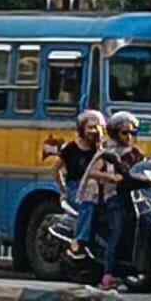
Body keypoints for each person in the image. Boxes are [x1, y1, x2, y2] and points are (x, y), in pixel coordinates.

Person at [81, 111, 143, 291]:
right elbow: (92, 172)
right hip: (114, 198)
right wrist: (111, 177)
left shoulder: (136, 153)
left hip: (135, 198)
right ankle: (108, 275)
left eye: (132, 133)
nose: (129, 137)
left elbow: (146, 167)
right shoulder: (108, 153)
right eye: (125, 133)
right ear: (116, 133)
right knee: (117, 232)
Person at [57, 109, 105, 261]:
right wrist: (63, 189)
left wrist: (100, 144)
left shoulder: (98, 149)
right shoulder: (70, 148)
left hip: (96, 188)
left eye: (96, 127)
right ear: (81, 128)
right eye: (90, 127)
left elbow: (103, 163)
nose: (93, 131)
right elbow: (56, 170)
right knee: (88, 204)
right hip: (76, 187)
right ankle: (80, 240)